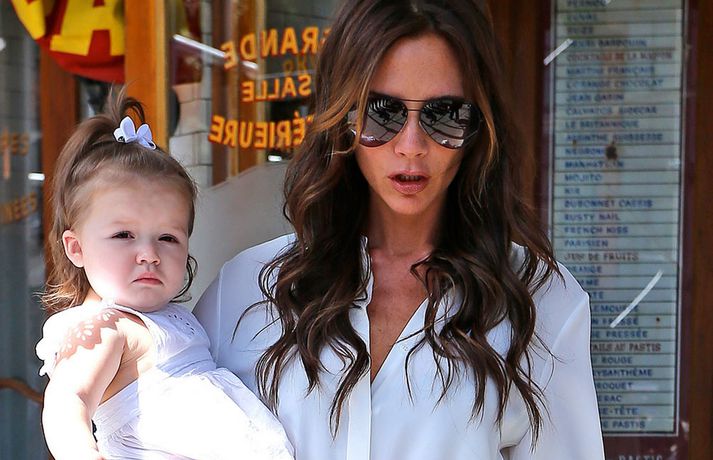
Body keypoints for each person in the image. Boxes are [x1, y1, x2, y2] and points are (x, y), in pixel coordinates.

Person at [194, 0, 605, 458]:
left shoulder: (541, 302)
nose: (411, 146)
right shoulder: (245, 292)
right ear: (341, 117)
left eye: (444, 114)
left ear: (479, 126)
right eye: (381, 112)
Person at [36, 93, 294, 460]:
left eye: (168, 238)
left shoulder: (171, 317)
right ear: (76, 248)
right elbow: (67, 399)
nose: (149, 254)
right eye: (124, 235)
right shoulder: (105, 329)